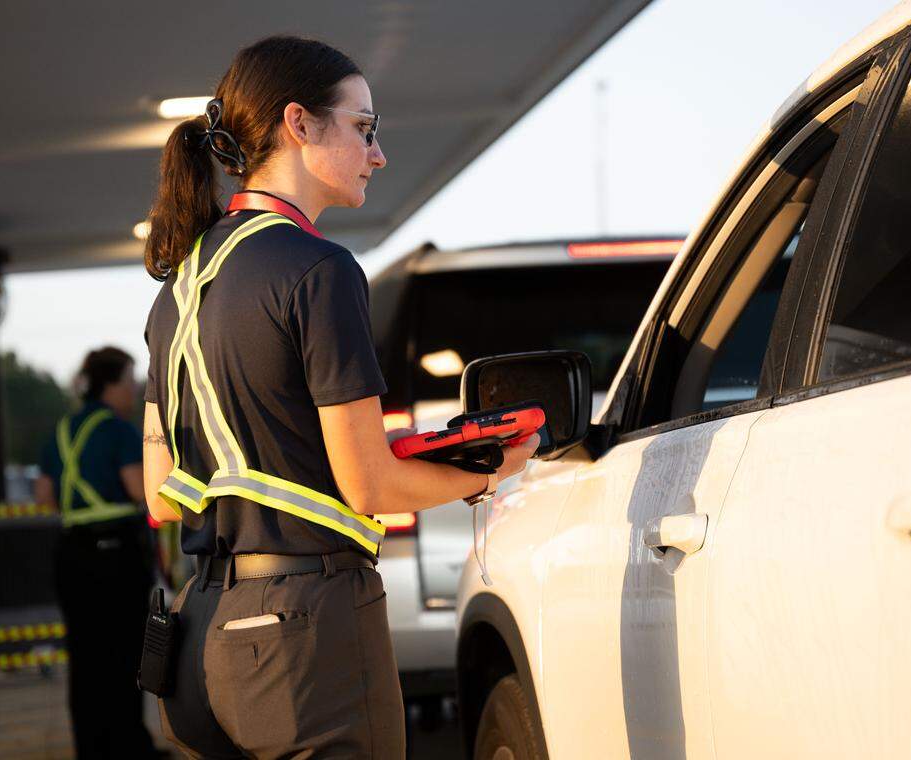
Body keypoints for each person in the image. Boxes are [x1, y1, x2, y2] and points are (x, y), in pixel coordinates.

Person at [140, 36, 538, 759]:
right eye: (363, 127)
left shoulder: (179, 289)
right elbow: (368, 482)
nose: (377, 153)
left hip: (200, 640)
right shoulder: (318, 269)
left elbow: (162, 498)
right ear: (299, 122)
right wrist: (493, 471)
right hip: (305, 635)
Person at [35, 346, 161, 759]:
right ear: (112, 383)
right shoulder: (118, 429)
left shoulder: (61, 430)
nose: (133, 389)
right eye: (129, 380)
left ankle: (91, 748)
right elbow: (139, 490)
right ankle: (129, 747)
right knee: (124, 652)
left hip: (70, 555)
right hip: (116, 555)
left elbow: (45, 498)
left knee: (85, 657)